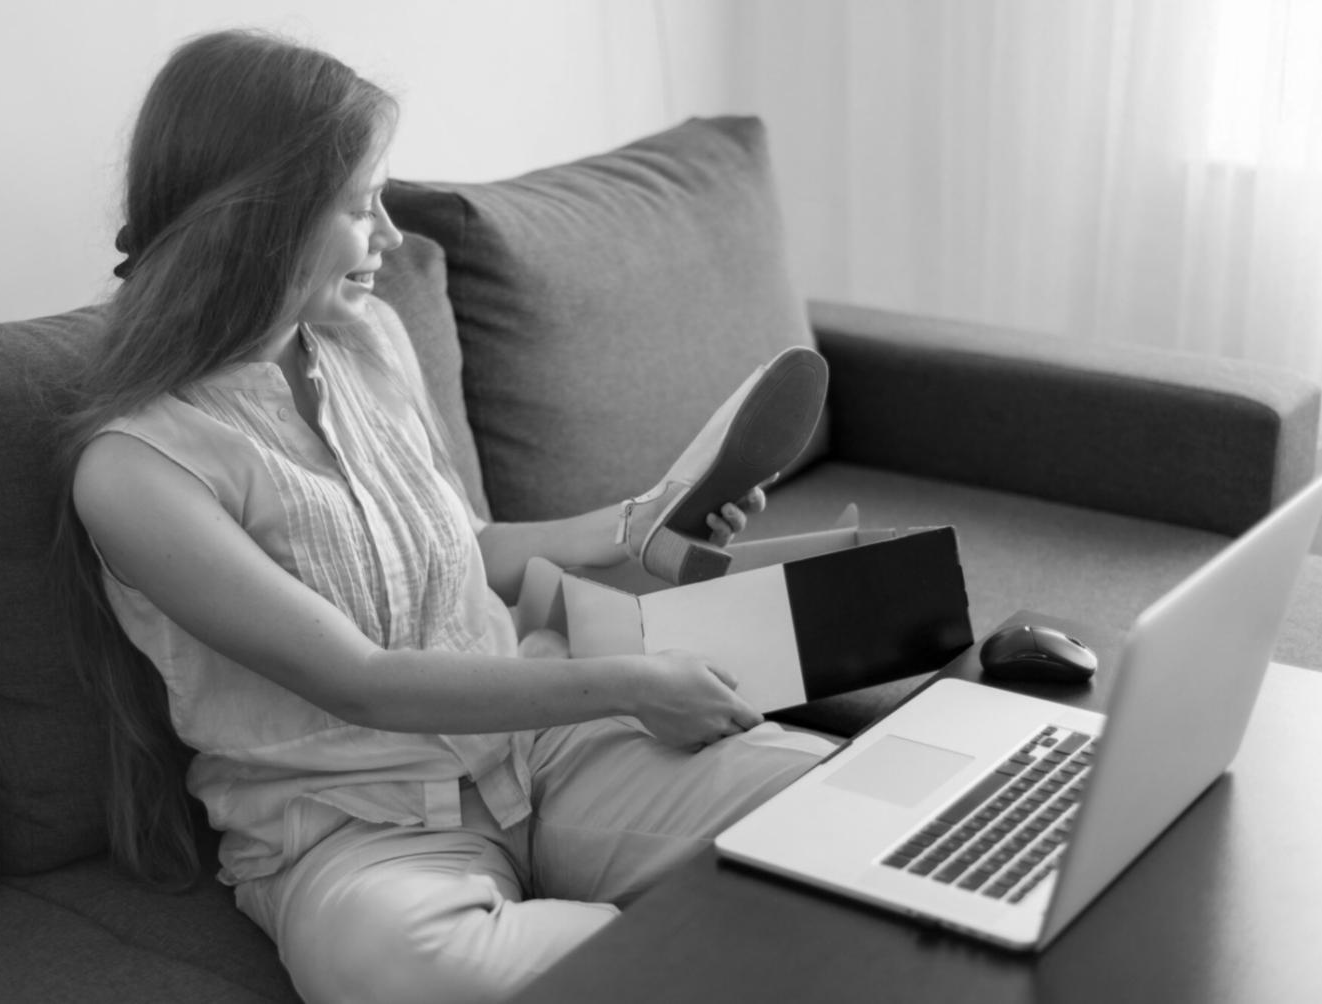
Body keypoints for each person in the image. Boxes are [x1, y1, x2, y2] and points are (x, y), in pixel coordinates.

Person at [54, 28, 833, 1004]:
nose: (390, 238)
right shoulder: (136, 471)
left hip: (538, 752)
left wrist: (638, 525)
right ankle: (716, 946)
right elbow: (361, 679)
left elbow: (457, 555)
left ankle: (682, 946)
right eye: (357, 206)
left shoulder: (367, 338)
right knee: (398, 966)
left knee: (832, 810)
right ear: (259, 222)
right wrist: (626, 680)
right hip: (357, 834)